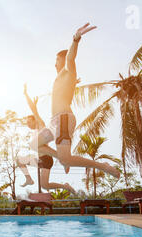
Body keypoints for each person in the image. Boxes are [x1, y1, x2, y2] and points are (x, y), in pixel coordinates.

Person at [35, 23, 120, 178]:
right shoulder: (62, 77)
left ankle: (102, 166)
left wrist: (75, 40)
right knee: (35, 144)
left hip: (63, 119)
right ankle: (63, 160)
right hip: (53, 122)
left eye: (57, 60)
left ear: (63, 59)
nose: (55, 64)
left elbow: (70, 58)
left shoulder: (68, 70)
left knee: (66, 157)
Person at [17, 84, 76, 194]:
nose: (28, 124)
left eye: (29, 121)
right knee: (45, 185)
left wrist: (26, 95)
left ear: (35, 120)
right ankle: (65, 186)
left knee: (21, 161)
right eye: (26, 123)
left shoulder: (40, 125)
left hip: (47, 159)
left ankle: (65, 161)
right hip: (40, 160)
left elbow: (33, 109)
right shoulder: (34, 132)